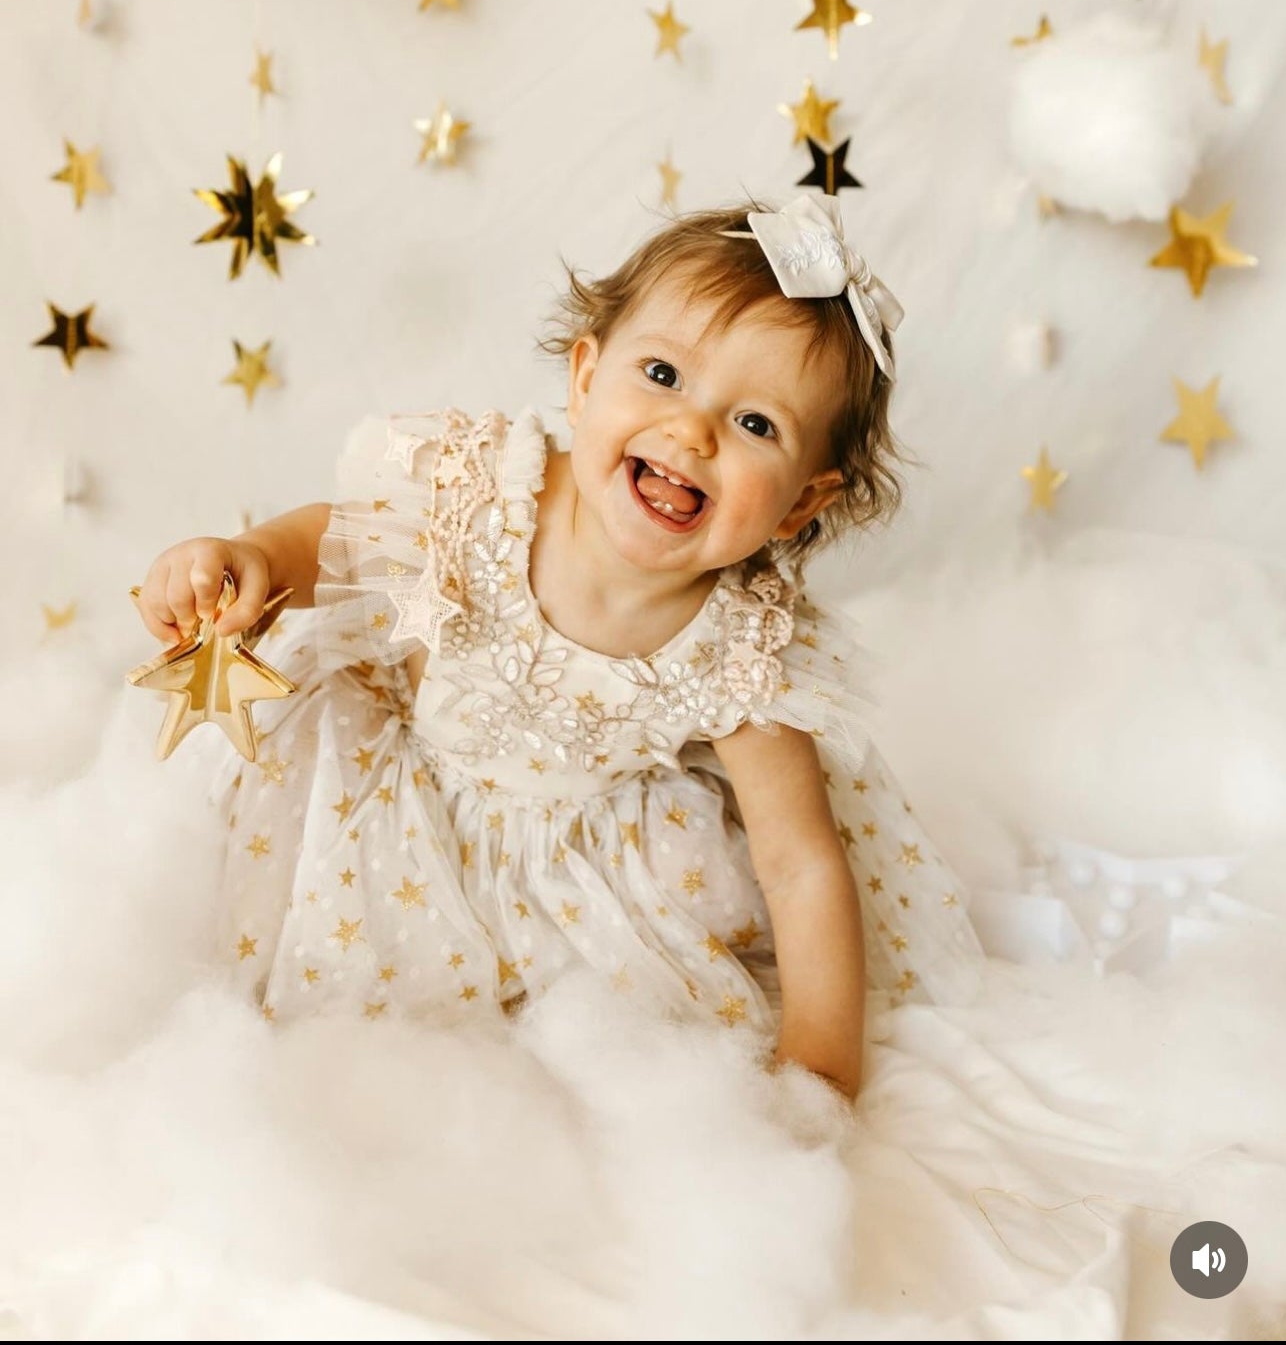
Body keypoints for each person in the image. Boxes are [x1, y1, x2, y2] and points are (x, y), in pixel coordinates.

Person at [133, 194, 986, 1101]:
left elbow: (800, 862)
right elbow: (339, 540)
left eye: (755, 425)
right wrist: (247, 559)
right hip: (396, 814)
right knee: (319, 997)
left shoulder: (743, 645)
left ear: (802, 504)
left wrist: (821, 1072)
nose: (690, 431)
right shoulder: (485, 491)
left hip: (585, 871)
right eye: (662, 373)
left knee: (589, 1075)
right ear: (584, 379)